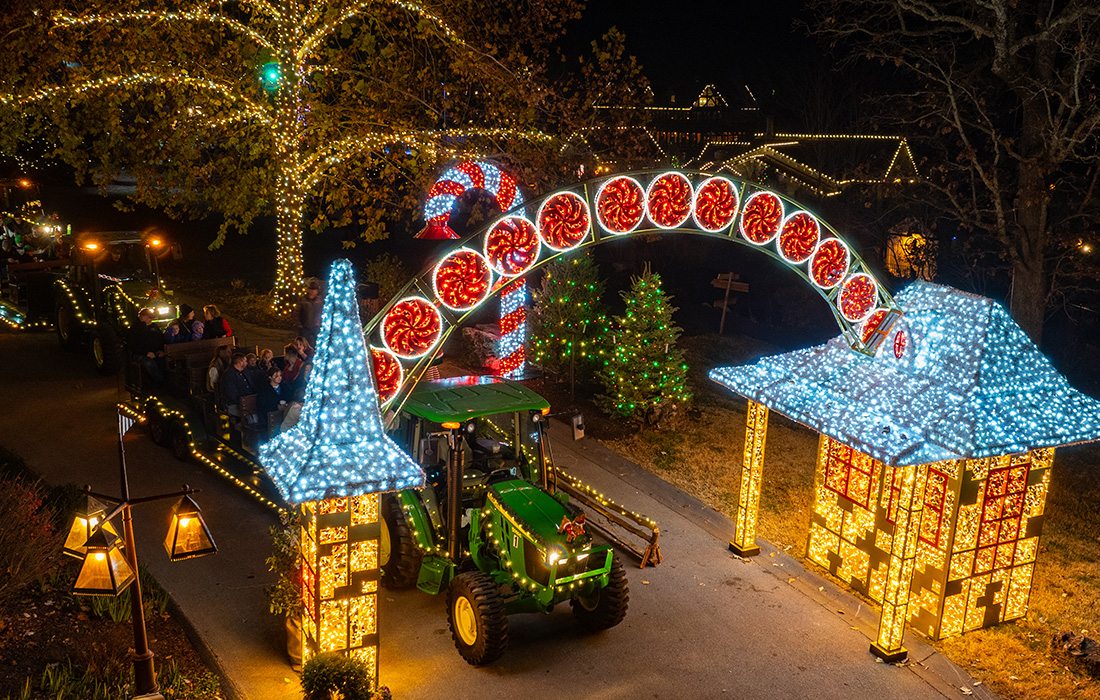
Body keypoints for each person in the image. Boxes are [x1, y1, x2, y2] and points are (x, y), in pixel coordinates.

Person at [127, 308, 166, 384]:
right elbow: (133, 344)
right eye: (147, 317)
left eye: (150, 317)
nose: (149, 319)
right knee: (149, 363)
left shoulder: (154, 327)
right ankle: (160, 382)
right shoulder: (135, 328)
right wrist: (146, 353)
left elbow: (161, 339)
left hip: (155, 352)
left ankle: (165, 380)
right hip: (140, 354)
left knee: (163, 361)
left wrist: (161, 350)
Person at [219, 351, 255, 417]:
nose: (247, 363)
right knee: (252, 416)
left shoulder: (245, 371)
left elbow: (252, 385)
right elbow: (231, 394)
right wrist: (244, 401)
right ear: (240, 362)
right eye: (245, 361)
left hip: (249, 401)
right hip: (235, 404)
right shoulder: (229, 375)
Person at [295, 278, 323, 344]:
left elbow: (322, 312)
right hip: (305, 327)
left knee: (316, 344)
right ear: (308, 290)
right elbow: (297, 312)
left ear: (317, 291)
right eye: (311, 289)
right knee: (303, 344)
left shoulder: (320, 301)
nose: (313, 291)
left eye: (315, 289)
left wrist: (320, 323)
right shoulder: (303, 300)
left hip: (316, 327)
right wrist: (299, 324)